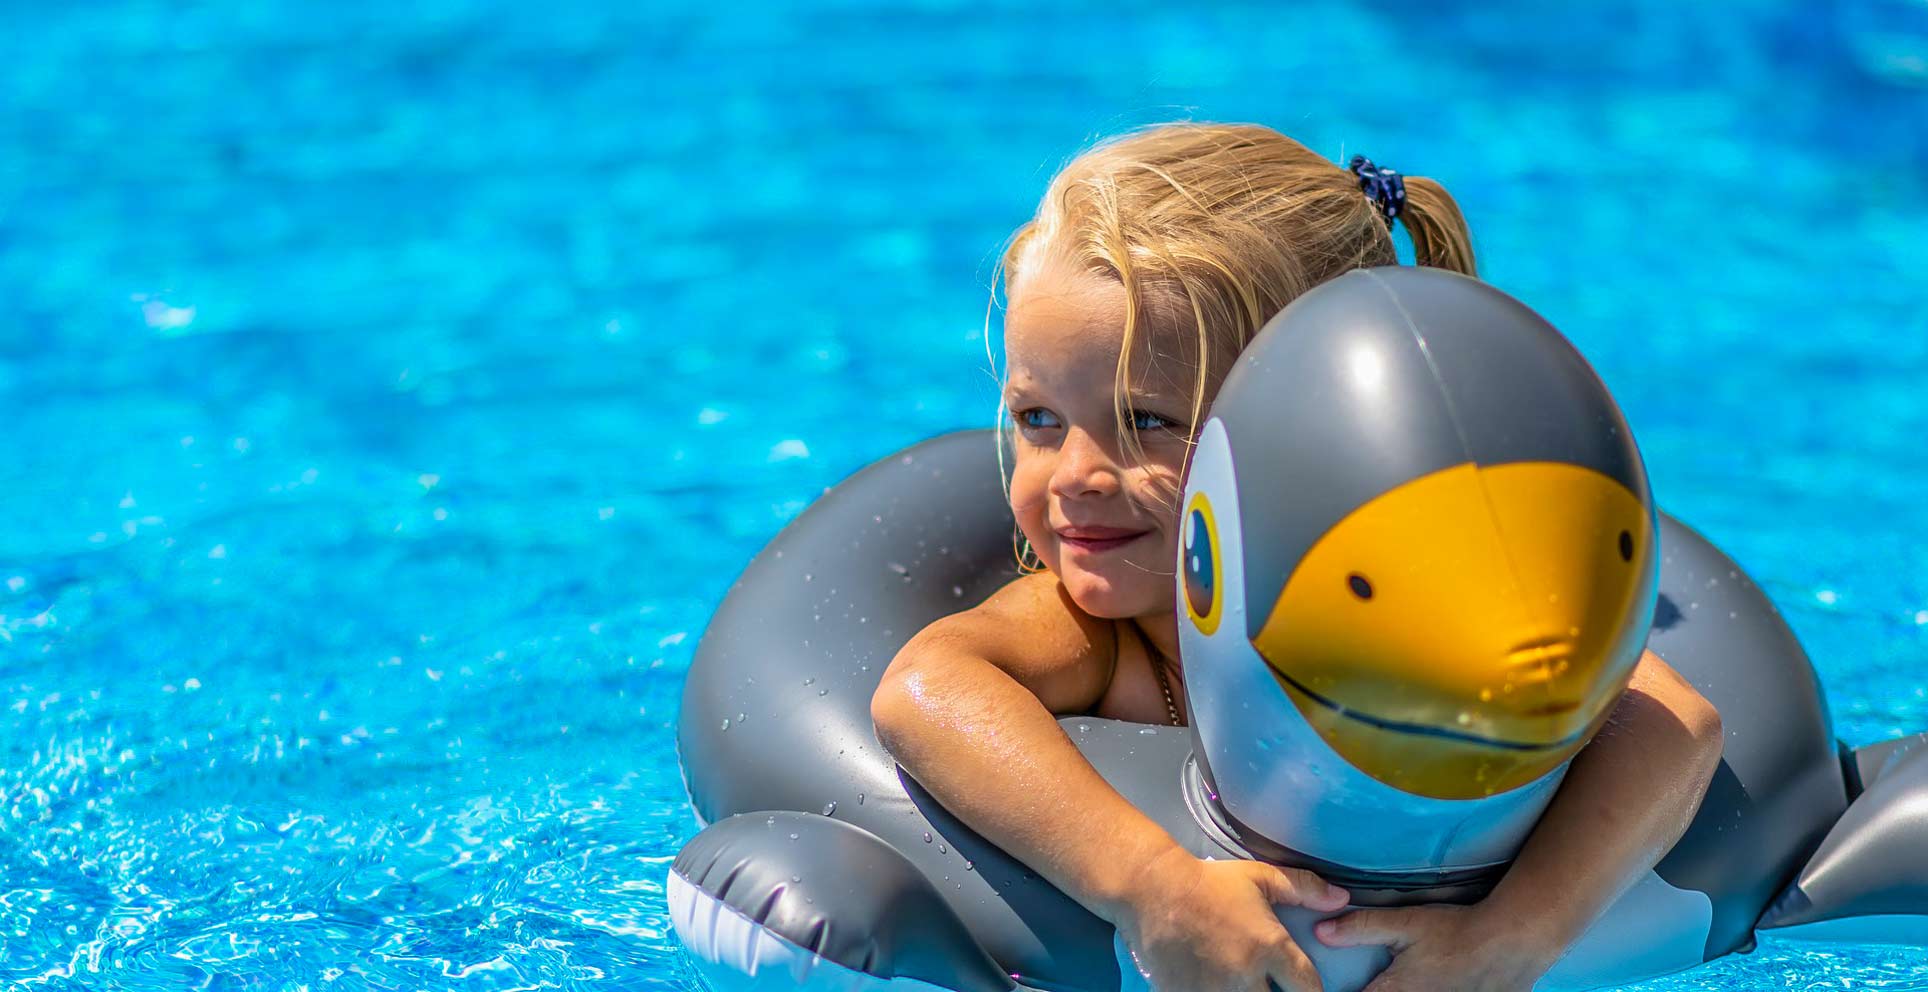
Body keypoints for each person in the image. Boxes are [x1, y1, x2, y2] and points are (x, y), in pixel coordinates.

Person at [869, 122, 1723, 992]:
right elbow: (925, 689)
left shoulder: (1408, 614)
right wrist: (1155, 888)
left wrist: (1515, 936)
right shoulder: (1095, 632)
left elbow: (1678, 724)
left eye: (1149, 421)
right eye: (1038, 420)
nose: (1076, 476)